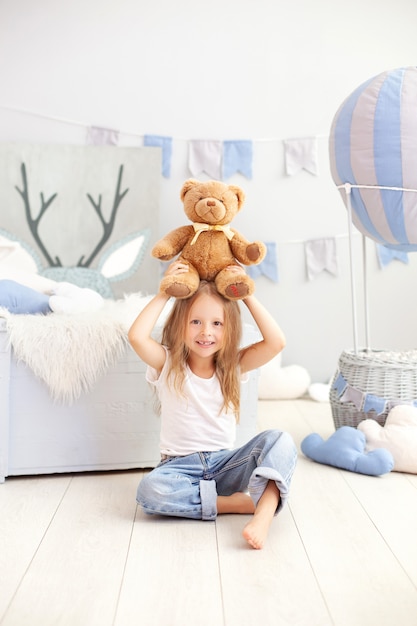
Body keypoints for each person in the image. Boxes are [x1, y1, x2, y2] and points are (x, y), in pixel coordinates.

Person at [128, 263, 297, 549]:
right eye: (196, 321)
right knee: (150, 490)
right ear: (179, 324)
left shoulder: (232, 366)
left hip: (225, 465)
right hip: (179, 468)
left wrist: (245, 294)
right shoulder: (168, 363)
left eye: (217, 323)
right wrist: (164, 293)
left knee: (281, 440)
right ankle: (230, 504)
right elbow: (136, 336)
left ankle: (264, 513)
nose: (206, 331)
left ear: (228, 328)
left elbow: (276, 341)